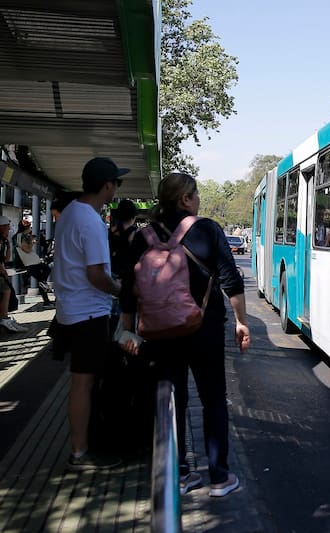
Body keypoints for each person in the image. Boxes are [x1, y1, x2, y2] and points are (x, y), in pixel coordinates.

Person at [118, 172, 250, 498]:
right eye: (196, 194)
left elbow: (128, 290)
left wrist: (126, 330)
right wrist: (241, 321)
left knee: (171, 401)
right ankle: (219, 477)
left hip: (159, 333)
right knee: (213, 399)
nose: (199, 199)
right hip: (204, 329)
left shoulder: (142, 237)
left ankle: (180, 474)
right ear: (185, 199)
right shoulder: (206, 230)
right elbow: (231, 281)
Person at [53, 156, 126, 471]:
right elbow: (96, 275)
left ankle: (83, 445)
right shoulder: (91, 221)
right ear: (107, 186)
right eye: (116, 183)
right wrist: (120, 289)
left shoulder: (71, 212)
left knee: (83, 382)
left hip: (71, 310)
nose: (116, 189)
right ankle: (80, 453)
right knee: (83, 383)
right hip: (88, 315)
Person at [14, 218, 54, 306]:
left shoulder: (24, 236)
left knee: (44, 273)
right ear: (26, 227)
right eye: (29, 227)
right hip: (29, 262)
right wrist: (32, 242)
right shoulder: (20, 236)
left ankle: (46, 299)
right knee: (44, 274)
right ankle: (46, 299)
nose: (30, 229)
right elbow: (26, 249)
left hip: (33, 261)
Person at [0, 216, 27, 333]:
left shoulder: (3, 241)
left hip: (2, 270)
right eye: (7, 226)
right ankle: (4, 318)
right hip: (1, 272)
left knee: (7, 291)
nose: (9, 228)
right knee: (6, 291)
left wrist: (8, 245)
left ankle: (5, 318)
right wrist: (3, 272)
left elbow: (5, 259)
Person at [108, 199, 138, 277]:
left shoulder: (110, 231)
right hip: (127, 273)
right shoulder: (134, 233)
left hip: (110, 270)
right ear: (133, 217)